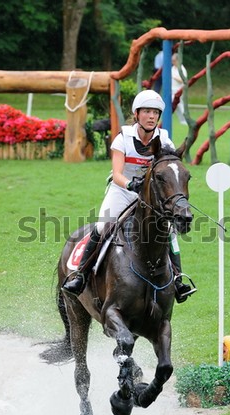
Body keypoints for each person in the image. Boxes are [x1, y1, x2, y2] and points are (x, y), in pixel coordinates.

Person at [62, 90, 196, 303]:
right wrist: (132, 184)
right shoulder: (123, 138)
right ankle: (81, 275)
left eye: (155, 112)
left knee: (169, 232)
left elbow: (171, 164)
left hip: (151, 195)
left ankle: (178, 280)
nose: (151, 116)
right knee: (102, 226)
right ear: (137, 114)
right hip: (123, 191)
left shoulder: (163, 138)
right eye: (147, 112)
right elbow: (117, 174)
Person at [171, 53, 188, 125]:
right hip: (172, 89)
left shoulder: (182, 69)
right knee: (176, 105)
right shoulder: (172, 68)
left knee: (180, 105)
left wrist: (175, 77)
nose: (173, 62)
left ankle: (185, 119)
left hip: (179, 89)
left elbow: (183, 80)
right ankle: (182, 120)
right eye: (172, 61)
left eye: (174, 60)